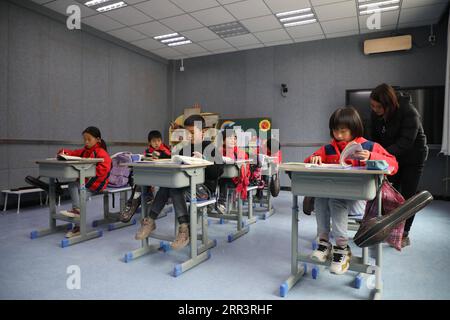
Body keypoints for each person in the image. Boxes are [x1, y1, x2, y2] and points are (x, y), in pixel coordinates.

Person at [306, 107, 398, 275]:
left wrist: (371, 156)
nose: (339, 135)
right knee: (320, 197)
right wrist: (314, 159)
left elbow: (393, 165)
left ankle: (342, 248)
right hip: (335, 199)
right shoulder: (328, 149)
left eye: (343, 131)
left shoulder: (370, 146)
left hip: (361, 203)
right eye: (335, 131)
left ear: (354, 129)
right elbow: (307, 162)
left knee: (335, 200)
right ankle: (324, 243)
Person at [369, 83, 428, 248]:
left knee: (407, 197)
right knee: (386, 193)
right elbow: (374, 138)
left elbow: (405, 143)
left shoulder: (409, 112)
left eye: (378, 106)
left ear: (388, 105)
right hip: (391, 157)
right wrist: (371, 151)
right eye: (372, 106)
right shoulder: (376, 113)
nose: (374, 109)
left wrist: (382, 155)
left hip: (413, 158)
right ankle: (385, 229)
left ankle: (405, 233)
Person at [58, 126, 112, 238]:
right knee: (72, 185)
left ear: (98, 140)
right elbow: (73, 153)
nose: (86, 142)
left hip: (96, 185)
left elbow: (103, 171)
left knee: (81, 195)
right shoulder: (84, 151)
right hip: (85, 183)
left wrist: (86, 173)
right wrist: (63, 152)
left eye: (89, 139)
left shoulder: (101, 153)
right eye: (84, 139)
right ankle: (77, 211)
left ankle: (78, 226)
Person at [119, 130, 171, 223]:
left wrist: (160, 156)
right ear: (149, 142)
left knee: (141, 184)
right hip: (149, 175)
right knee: (138, 181)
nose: (157, 143)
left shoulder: (165, 150)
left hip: (162, 176)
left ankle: (134, 202)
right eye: (154, 141)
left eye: (159, 141)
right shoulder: (147, 151)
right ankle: (134, 202)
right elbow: (144, 160)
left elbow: (169, 158)